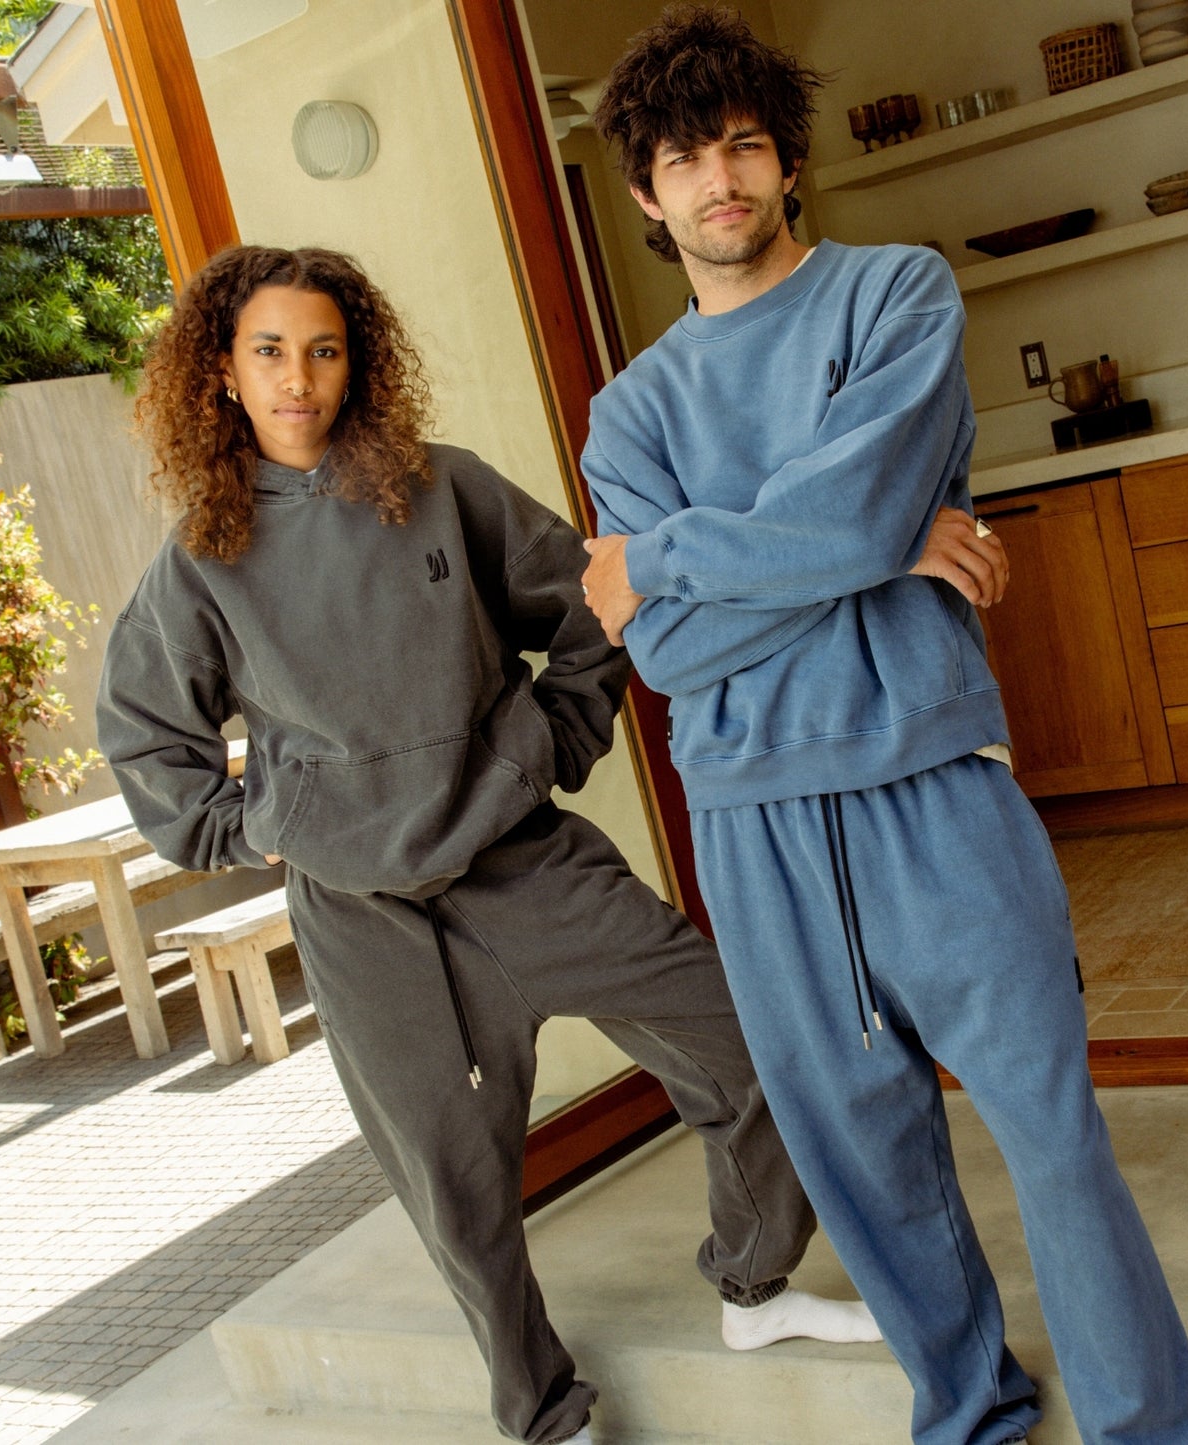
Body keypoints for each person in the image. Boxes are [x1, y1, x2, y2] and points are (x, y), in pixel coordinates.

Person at [92, 243, 1015, 1444]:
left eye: (323, 349)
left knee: (750, 1048)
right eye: (268, 351)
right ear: (219, 370)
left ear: (353, 362)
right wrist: (267, 824)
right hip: (366, 922)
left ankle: (752, 1283)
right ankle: (541, 1408)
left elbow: (594, 605)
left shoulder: (440, 488)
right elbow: (147, 736)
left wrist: (540, 747)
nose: (297, 378)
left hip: (525, 863)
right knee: (454, 1177)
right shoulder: (201, 558)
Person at [578, 9, 1188, 1445]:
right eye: (684, 160)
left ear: (788, 163)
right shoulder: (629, 410)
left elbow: (742, 565)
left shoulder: (893, 297)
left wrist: (671, 556)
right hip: (753, 820)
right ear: (644, 194)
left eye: (743, 146)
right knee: (864, 1161)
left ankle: (1151, 1422)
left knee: (1050, 1132)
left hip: (932, 784)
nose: (718, 180)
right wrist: (858, 547)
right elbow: (671, 658)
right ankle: (968, 1414)